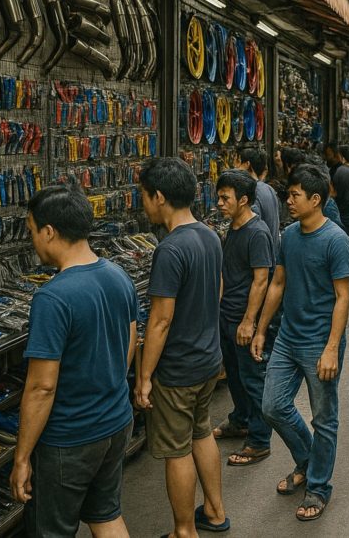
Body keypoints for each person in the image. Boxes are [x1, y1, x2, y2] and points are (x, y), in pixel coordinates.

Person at [12, 181, 138, 538]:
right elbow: (130, 341)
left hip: (70, 438)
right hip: (115, 423)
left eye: (33, 231)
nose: (32, 240)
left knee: (51, 530)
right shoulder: (118, 275)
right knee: (106, 516)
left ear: (50, 231)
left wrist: (22, 458)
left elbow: (41, 387)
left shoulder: (52, 298)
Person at [254, 163, 349, 522]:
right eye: (289, 194)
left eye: (295, 195)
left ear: (316, 199)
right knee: (272, 406)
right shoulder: (289, 235)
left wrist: (332, 348)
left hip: (319, 343)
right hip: (287, 338)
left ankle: (318, 486)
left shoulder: (337, 241)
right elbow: (277, 283)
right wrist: (261, 327)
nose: (289, 200)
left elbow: (343, 297)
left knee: (324, 418)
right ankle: (307, 458)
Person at [136, 158, 229, 537]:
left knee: (176, 450)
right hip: (208, 359)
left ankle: (183, 531)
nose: (142, 204)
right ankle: (216, 511)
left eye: (143, 196)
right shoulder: (208, 235)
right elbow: (218, 289)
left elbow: (160, 319)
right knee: (201, 433)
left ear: (159, 197)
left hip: (178, 369)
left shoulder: (170, 250)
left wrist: (144, 377)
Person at [212, 170, 275, 467]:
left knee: (252, 378)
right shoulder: (233, 229)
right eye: (219, 196)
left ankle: (260, 439)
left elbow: (261, 280)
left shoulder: (257, 232)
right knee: (236, 375)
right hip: (227, 316)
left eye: (226, 198)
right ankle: (241, 419)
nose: (220, 203)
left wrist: (249, 322)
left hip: (242, 319)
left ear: (244, 200)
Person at [237, 147, 280, 253]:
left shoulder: (252, 192)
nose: (235, 167)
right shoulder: (268, 188)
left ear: (247, 164)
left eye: (238, 162)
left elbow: (253, 231)